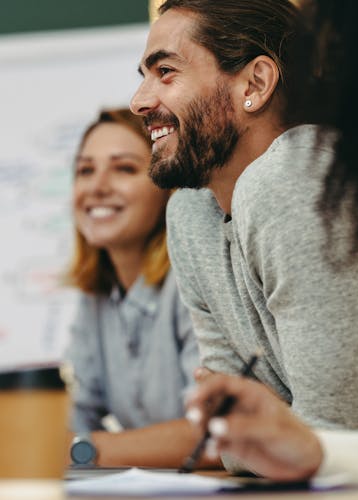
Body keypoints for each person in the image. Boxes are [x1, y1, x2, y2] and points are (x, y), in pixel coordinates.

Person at [130, 0, 358, 473]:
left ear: (255, 83)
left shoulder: (296, 176)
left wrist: (271, 439)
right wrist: (261, 439)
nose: (140, 100)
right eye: (143, 74)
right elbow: (233, 440)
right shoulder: (191, 213)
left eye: (165, 71)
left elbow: (331, 438)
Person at [64, 107, 218, 468]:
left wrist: (81, 450)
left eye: (124, 168)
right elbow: (74, 415)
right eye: (85, 170)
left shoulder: (193, 279)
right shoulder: (98, 295)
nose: (98, 187)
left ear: (167, 188)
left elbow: (214, 434)